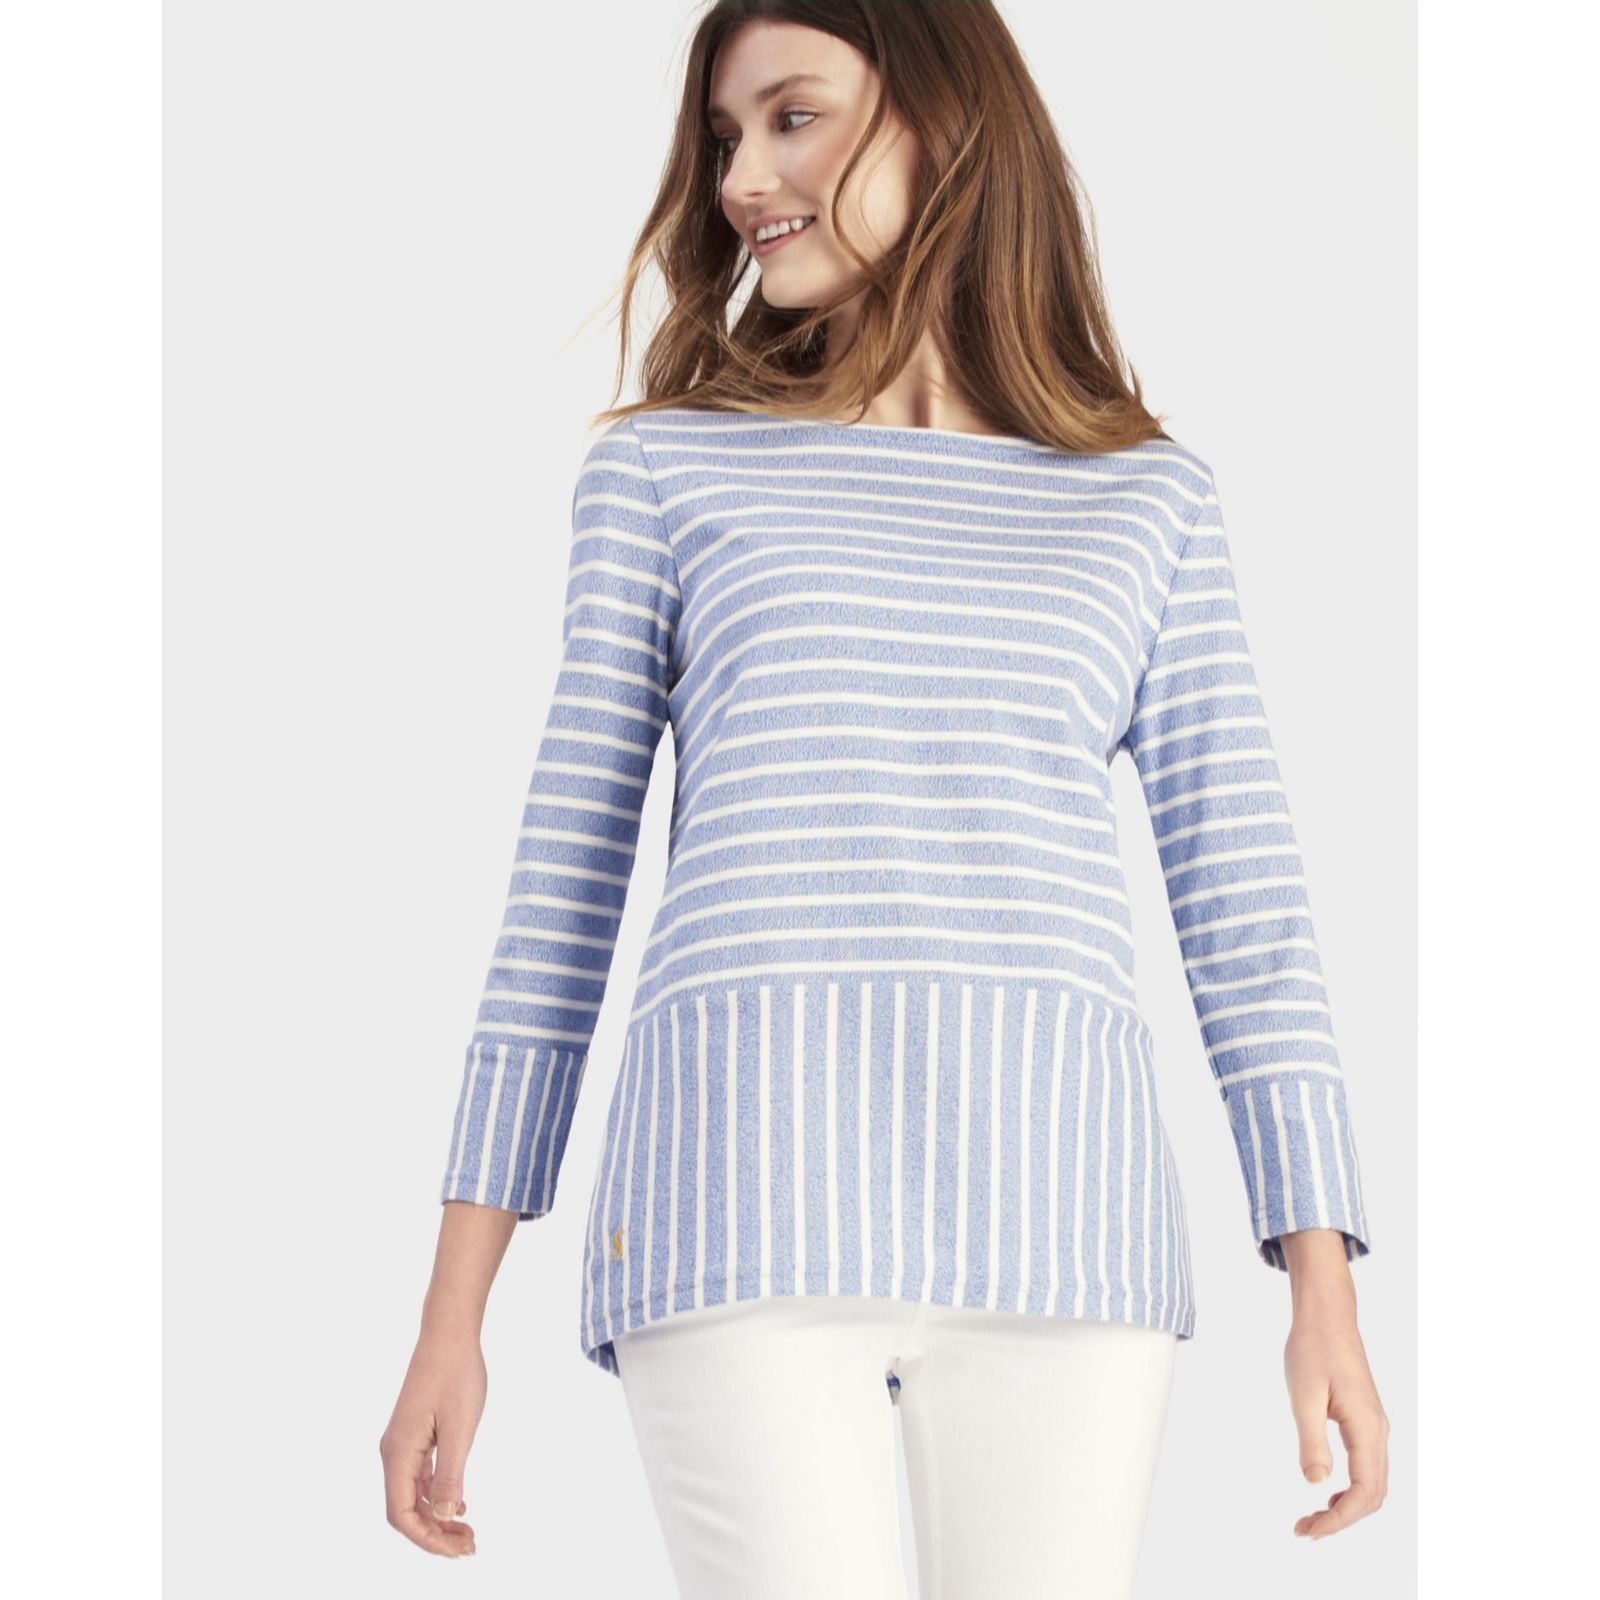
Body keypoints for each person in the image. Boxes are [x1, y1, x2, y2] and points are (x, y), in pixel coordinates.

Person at [380, 2, 1390, 1593]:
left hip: (1067, 1226)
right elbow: (563, 894)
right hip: (736, 1213)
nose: (739, 178)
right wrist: (454, 1317)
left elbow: (1244, 907)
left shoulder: (1148, 502)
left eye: (793, 118)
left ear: (945, 121)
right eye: (725, 137)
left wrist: (1321, 1286)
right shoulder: (667, 472)